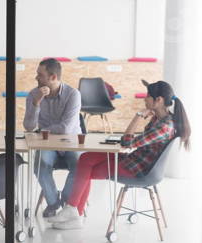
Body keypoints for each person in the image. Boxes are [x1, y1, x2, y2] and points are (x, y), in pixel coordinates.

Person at [48, 80, 191, 230]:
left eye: (148, 96)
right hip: (132, 160)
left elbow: (127, 142)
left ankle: (74, 211)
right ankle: (75, 211)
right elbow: (128, 142)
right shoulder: (161, 119)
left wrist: (138, 116)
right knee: (85, 158)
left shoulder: (164, 126)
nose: (144, 98)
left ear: (159, 100)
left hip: (137, 169)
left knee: (86, 169)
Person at [23, 58, 82, 218]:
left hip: (70, 141)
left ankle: (67, 203)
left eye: (40, 75)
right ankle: (54, 202)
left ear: (53, 77)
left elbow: (66, 128)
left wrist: (42, 130)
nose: (36, 78)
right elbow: (28, 127)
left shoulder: (73, 94)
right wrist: (36, 104)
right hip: (47, 143)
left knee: (80, 167)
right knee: (40, 167)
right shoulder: (34, 95)